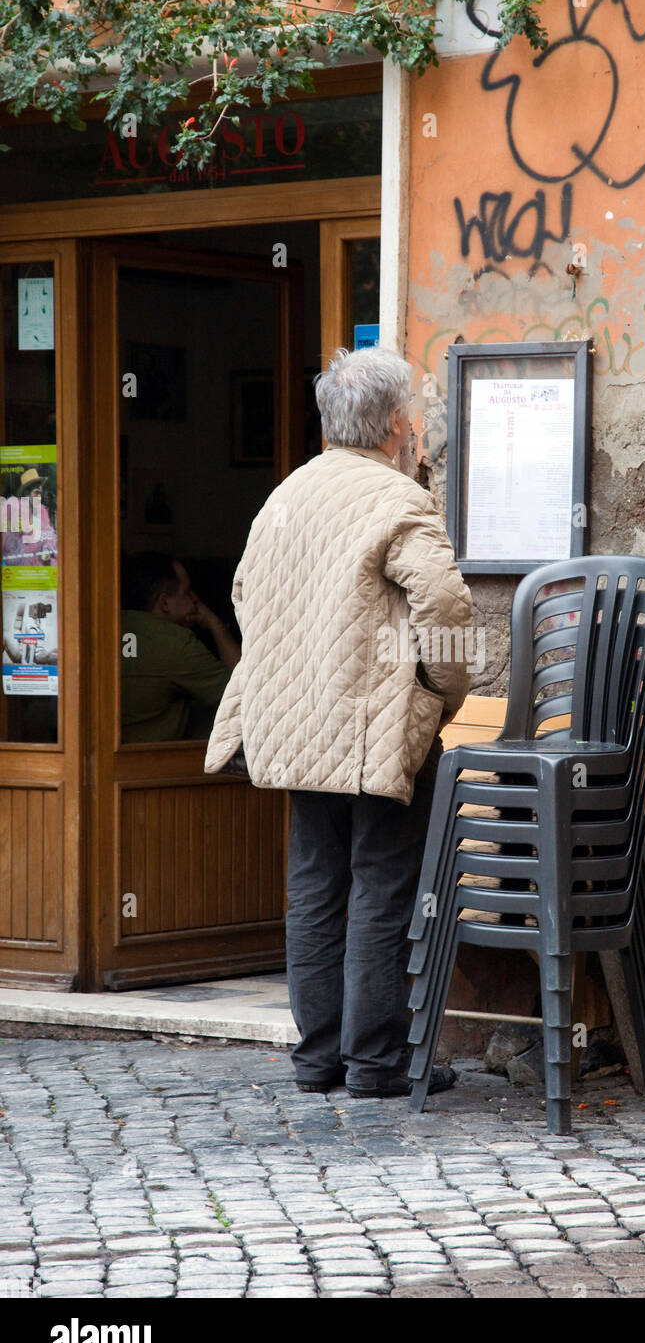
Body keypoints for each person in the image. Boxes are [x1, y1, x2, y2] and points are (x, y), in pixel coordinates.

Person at [205, 346, 474, 1099]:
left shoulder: (286, 494)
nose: (416, 427)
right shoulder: (398, 499)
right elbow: (446, 607)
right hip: (372, 726)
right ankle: (375, 1063)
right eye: (412, 415)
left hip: (292, 725)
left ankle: (317, 1059)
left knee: (316, 884)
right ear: (393, 425)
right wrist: (439, 689)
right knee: (382, 886)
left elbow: (244, 595)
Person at [121, 552, 240, 743]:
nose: (195, 599)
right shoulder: (174, 642)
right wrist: (215, 624)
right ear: (164, 603)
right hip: (155, 765)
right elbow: (241, 694)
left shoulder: (104, 626)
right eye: (187, 591)